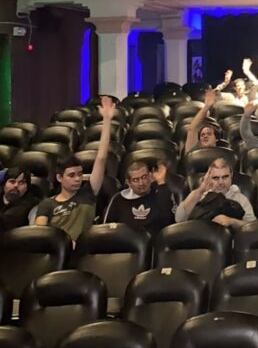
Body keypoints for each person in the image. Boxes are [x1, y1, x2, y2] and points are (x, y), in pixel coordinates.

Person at [35, 96, 115, 241]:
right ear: (60, 178)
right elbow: (40, 235)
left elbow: (101, 158)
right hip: (58, 250)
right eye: (71, 175)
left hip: (84, 249)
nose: (78, 179)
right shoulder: (47, 204)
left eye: (80, 174)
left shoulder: (88, 193)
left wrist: (107, 120)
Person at [175, 158, 256, 228]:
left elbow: (252, 227)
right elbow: (179, 219)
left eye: (225, 177)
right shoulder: (200, 197)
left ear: (231, 176)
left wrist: (231, 221)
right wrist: (200, 190)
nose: (221, 182)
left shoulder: (241, 199)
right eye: (216, 178)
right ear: (209, 178)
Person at [103, 162, 175, 235]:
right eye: (135, 180)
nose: (141, 183)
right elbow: (108, 229)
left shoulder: (161, 194)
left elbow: (168, 222)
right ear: (129, 183)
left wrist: (162, 183)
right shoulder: (118, 199)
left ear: (150, 176)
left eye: (144, 177)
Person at [0, 167, 38, 232]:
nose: (16, 185)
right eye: (12, 181)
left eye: (21, 182)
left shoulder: (32, 204)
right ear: (4, 184)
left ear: (27, 188)